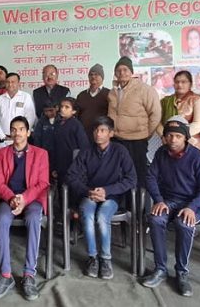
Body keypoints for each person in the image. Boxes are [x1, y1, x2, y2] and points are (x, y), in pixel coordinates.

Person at [140, 116, 200, 297]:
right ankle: (160, 269)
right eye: (170, 135)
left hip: (192, 203)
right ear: (165, 137)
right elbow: (150, 177)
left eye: (178, 136)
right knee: (155, 220)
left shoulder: (199, 158)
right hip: (168, 201)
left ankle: (182, 272)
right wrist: (158, 199)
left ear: (185, 138)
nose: (173, 139)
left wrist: (192, 207)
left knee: (184, 224)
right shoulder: (161, 153)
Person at [0, 116, 50, 301]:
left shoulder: (41, 153)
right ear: (10, 132)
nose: (17, 133)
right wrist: (12, 198)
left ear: (28, 132)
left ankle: (29, 275)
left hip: (33, 198)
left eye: (21, 129)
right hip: (9, 198)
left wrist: (25, 198)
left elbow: (43, 182)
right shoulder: (2, 153)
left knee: (33, 219)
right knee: (2, 219)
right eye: (13, 129)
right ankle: (5, 275)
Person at [66, 116, 136, 280]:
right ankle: (92, 258)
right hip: (89, 194)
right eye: (96, 130)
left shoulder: (120, 151)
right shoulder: (86, 151)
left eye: (103, 130)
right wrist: (88, 191)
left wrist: (107, 190)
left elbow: (131, 179)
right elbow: (71, 176)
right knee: (88, 214)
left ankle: (105, 259)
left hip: (111, 196)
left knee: (102, 216)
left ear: (111, 133)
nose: (98, 134)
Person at [107, 56, 162, 186]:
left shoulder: (145, 89)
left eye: (125, 69)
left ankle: (139, 205)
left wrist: (146, 133)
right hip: (117, 139)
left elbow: (156, 113)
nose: (122, 73)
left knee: (138, 174)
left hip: (137, 141)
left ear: (131, 72)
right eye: (119, 70)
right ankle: (122, 205)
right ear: (115, 73)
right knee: (119, 174)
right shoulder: (112, 92)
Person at [160, 71, 200, 152]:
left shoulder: (197, 99)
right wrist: (165, 136)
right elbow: (158, 122)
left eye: (183, 82)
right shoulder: (165, 101)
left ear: (190, 84)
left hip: (193, 144)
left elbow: (198, 124)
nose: (179, 85)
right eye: (177, 82)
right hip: (170, 143)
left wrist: (180, 137)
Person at [50, 97, 90, 187]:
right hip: (59, 164)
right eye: (62, 106)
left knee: (71, 194)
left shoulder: (76, 125)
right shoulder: (57, 124)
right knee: (61, 192)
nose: (62, 109)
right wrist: (54, 166)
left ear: (74, 111)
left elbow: (84, 147)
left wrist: (77, 167)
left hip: (72, 165)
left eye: (67, 107)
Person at [0, 72, 36, 140]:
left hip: (21, 137)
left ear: (18, 83)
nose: (10, 84)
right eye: (8, 82)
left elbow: (31, 118)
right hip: (4, 138)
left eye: (13, 82)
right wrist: (3, 136)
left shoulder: (26, 97)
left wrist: (21, 135)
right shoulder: (0, 99)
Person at [75, 63, 110, 135]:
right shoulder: (81, 95)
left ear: (102, 77)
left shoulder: (109, 94)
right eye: (91, 74)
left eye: (96, 74)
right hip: (84, 135)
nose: (93, 77)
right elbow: (76, 116)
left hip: (102, 136)